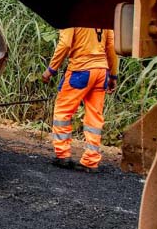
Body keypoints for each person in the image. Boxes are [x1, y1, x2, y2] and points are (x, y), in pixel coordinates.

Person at [41, 27, 118, 173]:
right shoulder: (104, 17)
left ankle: (63, 155)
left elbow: (65, 44)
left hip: (80, 69)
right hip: (101, 71)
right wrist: (113, 75)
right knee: (95, 116)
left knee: (63, 111)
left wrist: (50, 70)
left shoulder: (73, 15)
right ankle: (91, 160)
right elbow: (111, 47)